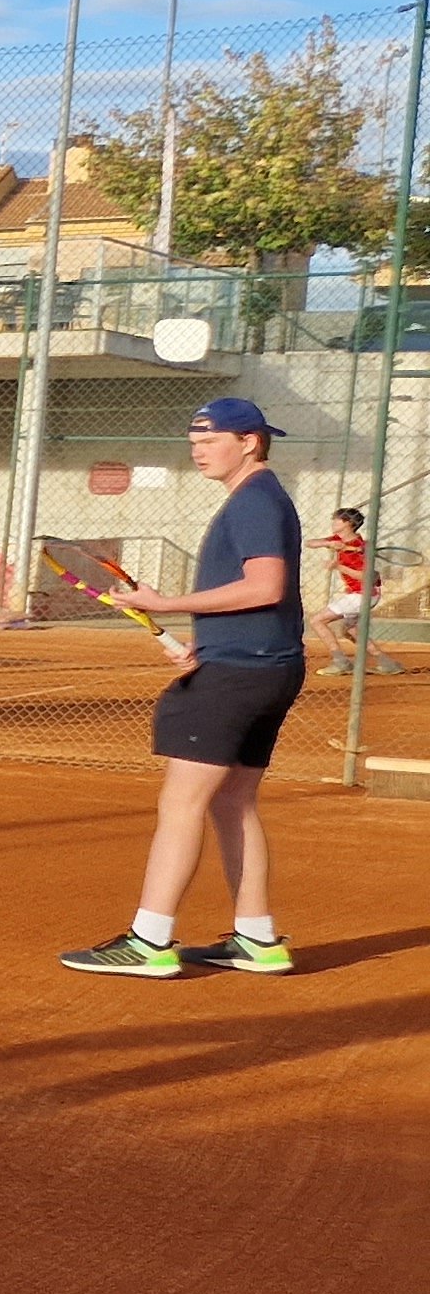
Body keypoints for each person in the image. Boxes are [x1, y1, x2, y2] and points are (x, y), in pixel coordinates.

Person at [63, 395, 304, 979]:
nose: (198, 450)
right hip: (264, 664)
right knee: (232, 801)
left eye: (210, 439)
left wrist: (165, 603)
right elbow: (258, 600)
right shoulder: (263, 498)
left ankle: (150, 940)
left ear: (249, 441)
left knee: (182, 802)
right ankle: (257, 939)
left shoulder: (253, 501)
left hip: (239, 674)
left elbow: (265, 586)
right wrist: (209, 639)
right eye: (193, 441)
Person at [319, 504, 401, 677]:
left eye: (337, 520)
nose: (333, 522)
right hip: (357, 594)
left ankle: (340, 662)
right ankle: (386, 663)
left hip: (362, 594)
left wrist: (338, 566)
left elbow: (367, 577)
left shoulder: (362, 548)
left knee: (317, 621)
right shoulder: (340, 541)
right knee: (350, 630)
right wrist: (330, 544)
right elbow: (310, 543)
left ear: (347, 523)